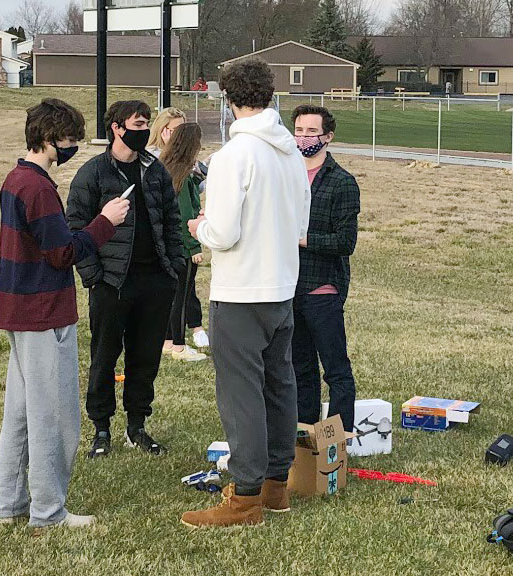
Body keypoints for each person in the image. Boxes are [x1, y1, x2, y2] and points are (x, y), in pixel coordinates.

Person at [180, 59, 311, 528]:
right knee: (280, 385)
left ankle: (245, 497)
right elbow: (302, 225)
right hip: (282, 287)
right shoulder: (292, 153)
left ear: (228, 101)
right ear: (271, 97)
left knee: (241, 395)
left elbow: (224, 231)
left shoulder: (232, 157)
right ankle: (277, 486)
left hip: (239, 292)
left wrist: (199, 227)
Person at [0, 98, 129, 528]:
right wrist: (105, 222)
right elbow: (62, 253)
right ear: (50, 139)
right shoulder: (39, 189)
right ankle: (48, 511)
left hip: (19, 310)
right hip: (45, 312)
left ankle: (11, 504)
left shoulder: (15, 179)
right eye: (70, 139)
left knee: (20, 412)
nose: (73, 147)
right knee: (53, 416)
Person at [67, 100, 185, 459]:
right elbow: (75, 228)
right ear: (117, 128)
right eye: (137, 123)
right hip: (111, 283)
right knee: (104, 356)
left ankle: (137, 426)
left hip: (155, 281)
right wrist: (94, 278)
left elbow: (171, 219)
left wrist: (175, 266)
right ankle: (101, 428)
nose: (143, 129)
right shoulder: (93, 173)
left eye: (146, 122)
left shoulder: (155, 170)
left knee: (145, 358)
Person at [290, 105, 360, 432]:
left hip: (323, 291)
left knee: (335, 371)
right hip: (288, 288)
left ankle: (339, 439)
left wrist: (303, 239)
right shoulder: (286, 176)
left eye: (311, 132)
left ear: (327, 137)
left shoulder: (342, 182)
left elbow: (345, 242)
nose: (304, 137)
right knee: (300, 369)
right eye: (299, 131)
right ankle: (306, 437)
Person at [159, 122, 208, 361]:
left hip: (166, 245)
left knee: (170, 297)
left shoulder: (163, 171)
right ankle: (177, 345)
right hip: (183, 248)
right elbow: (185, 215)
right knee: (182, 296)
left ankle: (166, 340)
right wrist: (194, 247)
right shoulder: (185, 178)